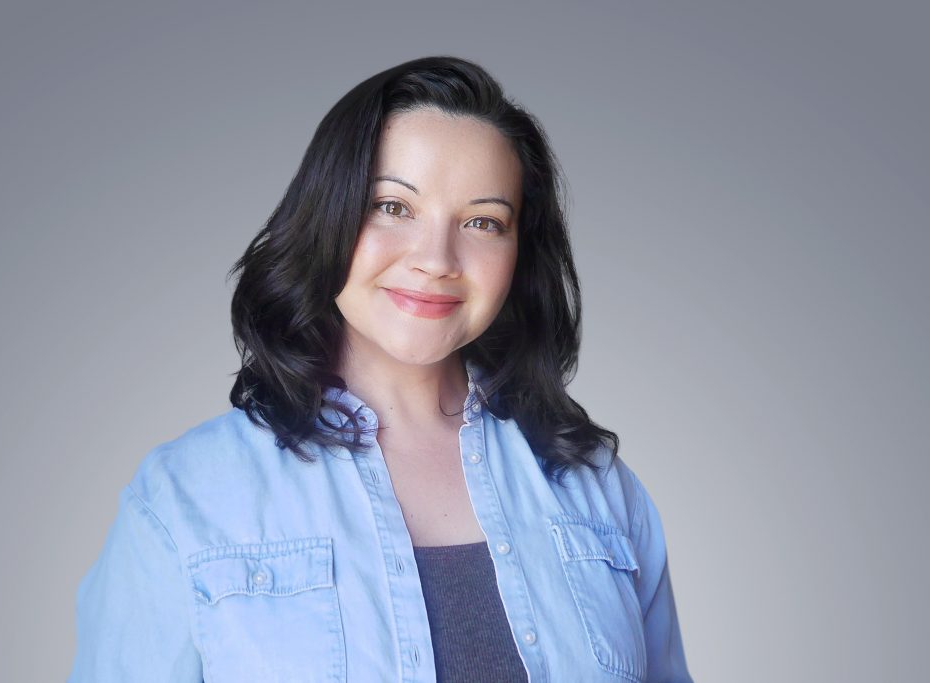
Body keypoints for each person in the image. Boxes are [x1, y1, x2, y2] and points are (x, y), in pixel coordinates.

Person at [68, 55, 693, 683]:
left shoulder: (600, 492)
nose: (435, 258)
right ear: (328, 217)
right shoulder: (185, 499)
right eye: (393, 207)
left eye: (483, 222)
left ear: (518, 253)